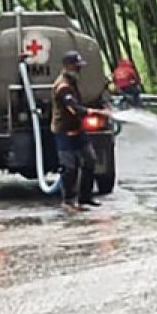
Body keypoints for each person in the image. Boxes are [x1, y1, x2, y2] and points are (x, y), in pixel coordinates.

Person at [52, 51, 112, 213]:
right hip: (64, 132)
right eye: (77, 66)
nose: (79, 70)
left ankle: (85, 197)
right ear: (68, 67)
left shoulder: (72, 82)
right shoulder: (63, 87)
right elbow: (75, 109)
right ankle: (68, 201)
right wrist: (97, 112)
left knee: (90, 161)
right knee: (69, 167)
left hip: (78, 130)